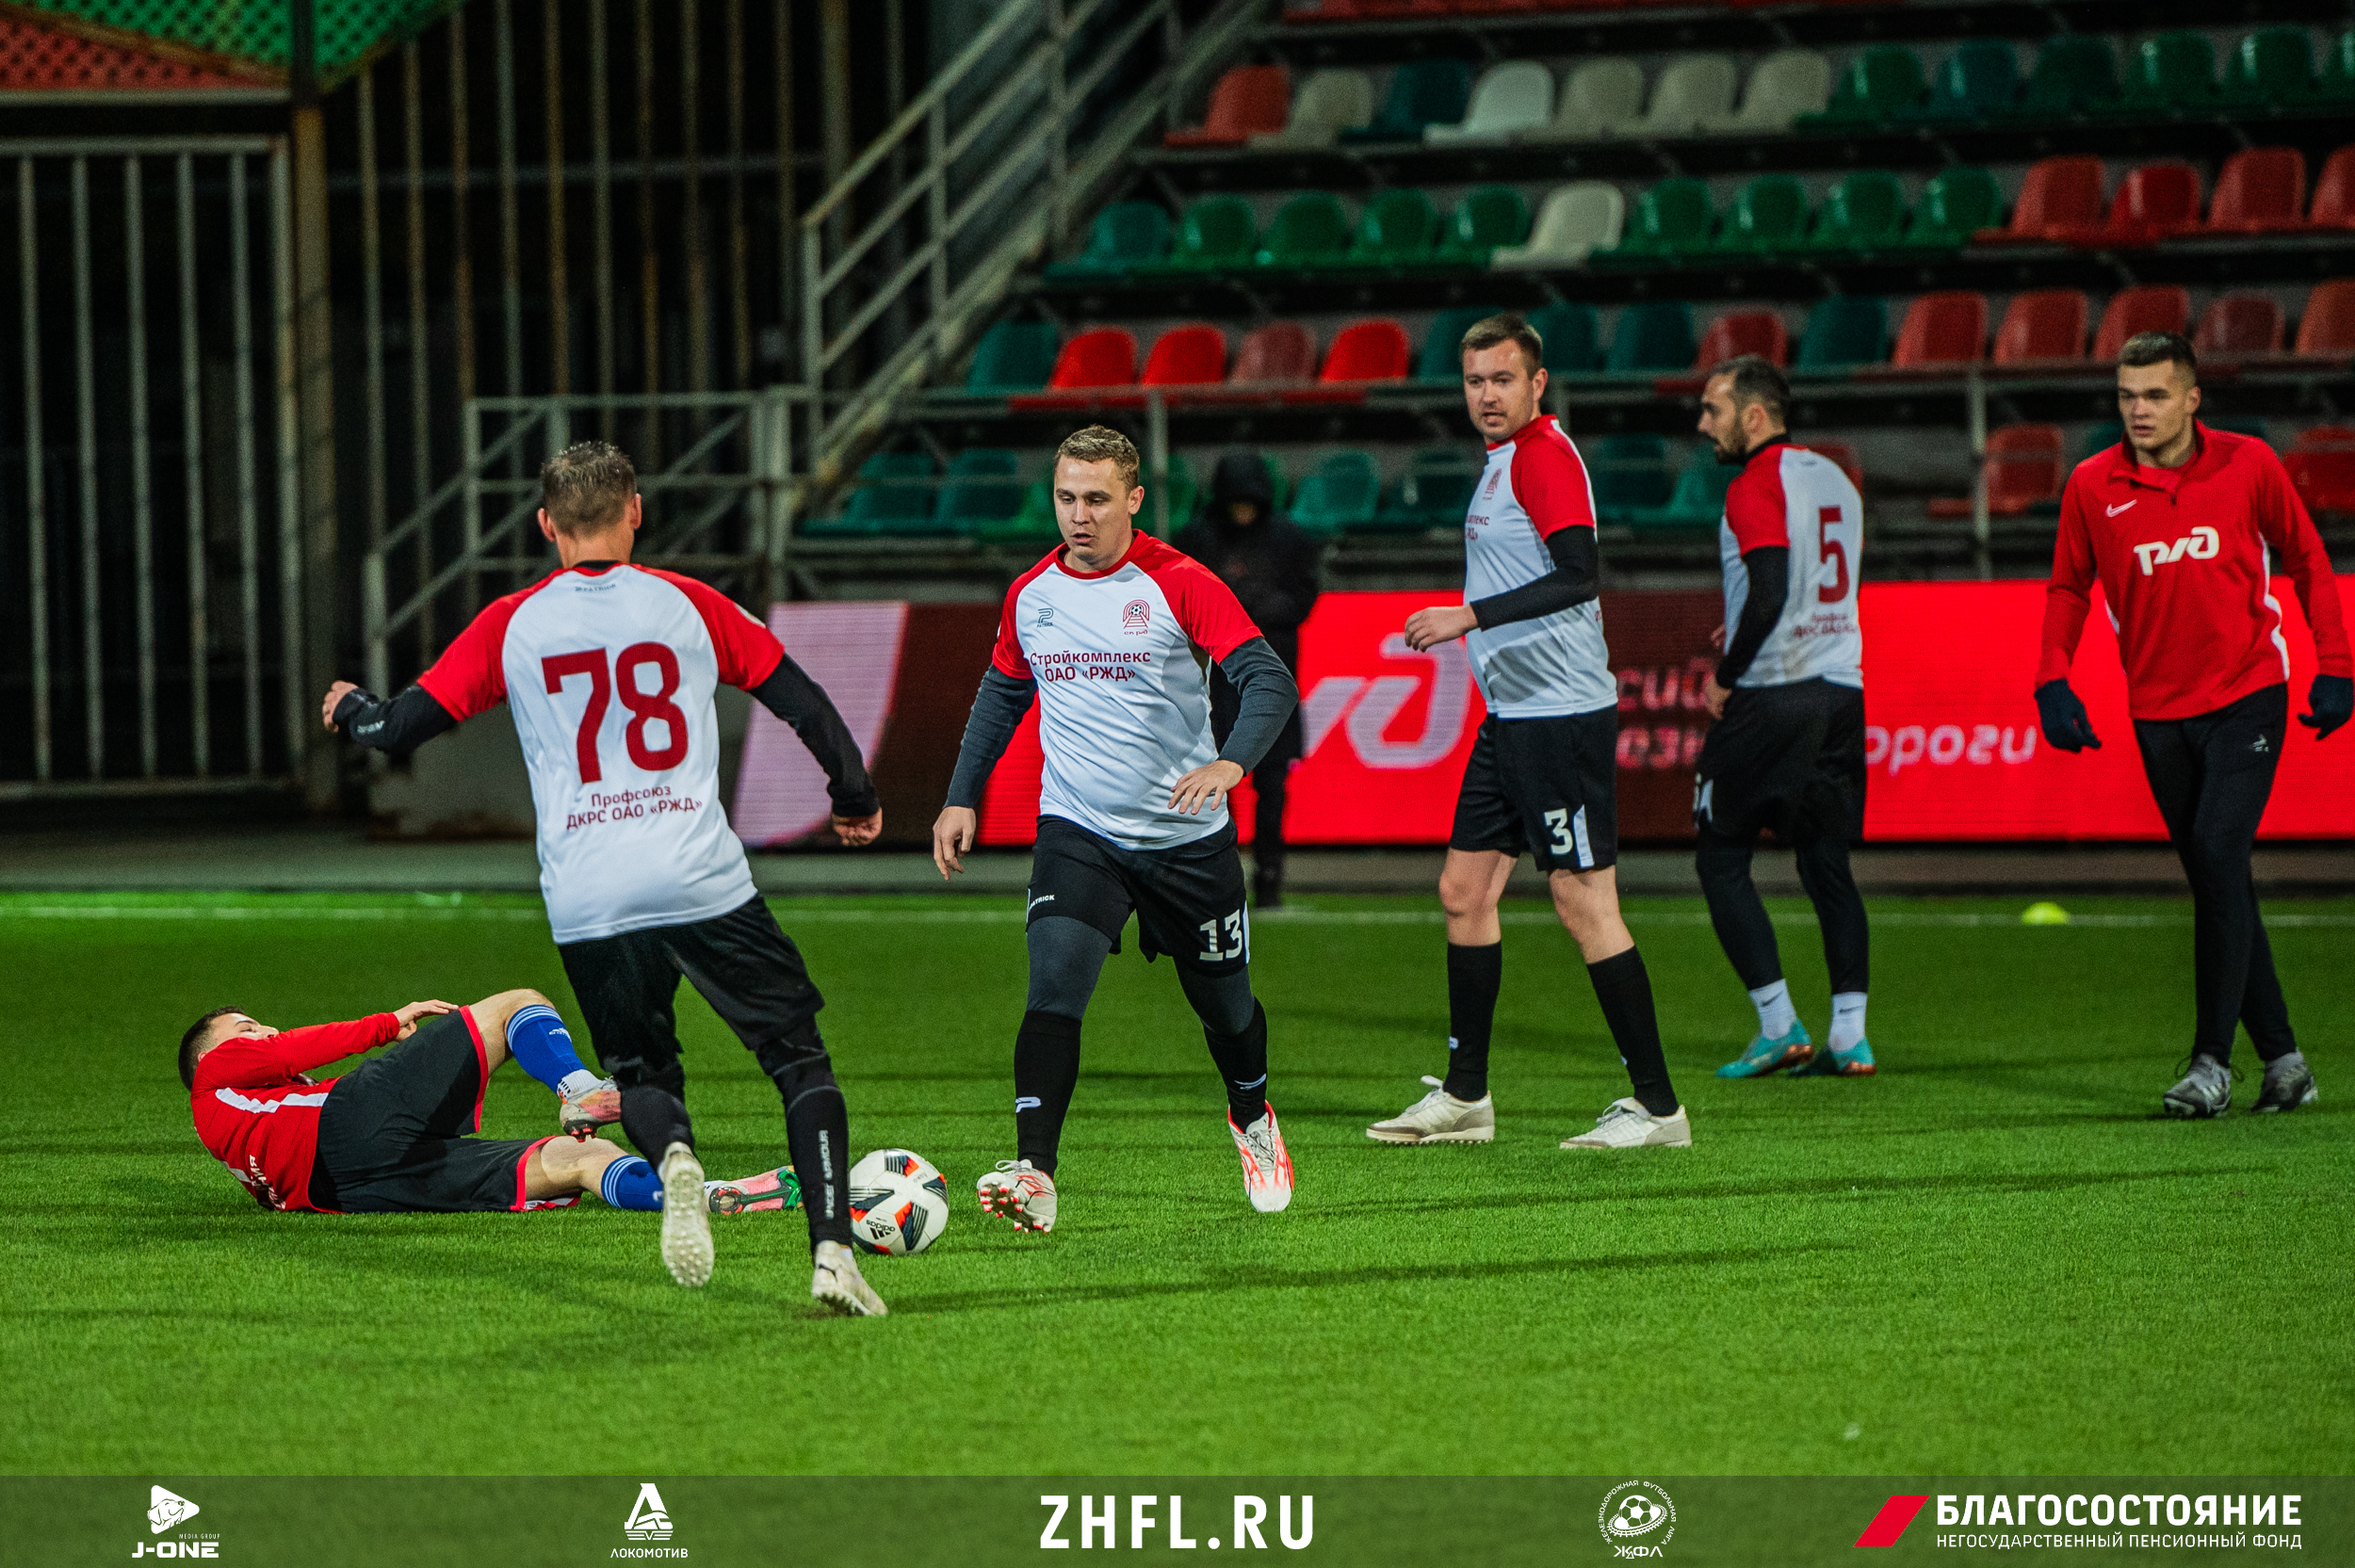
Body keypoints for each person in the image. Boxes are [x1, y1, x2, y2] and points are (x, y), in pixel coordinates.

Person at [322, 440, 887, 1315]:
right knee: (799, 1060)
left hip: (589, 895)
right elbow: (800, 699)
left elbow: (399, 729)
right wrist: (853, 793)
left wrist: (354, 709)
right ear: (635, 511)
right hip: (699, 875)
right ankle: (831, 1255)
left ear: (546, 525)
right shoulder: (690, 604)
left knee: (644, 1073)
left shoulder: (512, 623)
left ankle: (675, 1158)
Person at [931, 425, 1301, 1235]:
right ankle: (1035, 1170)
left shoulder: (1182, 581)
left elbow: (1269, 679)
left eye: (1097, 499)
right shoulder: (1032, 593)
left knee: (1227, 1010)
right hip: (1080, 831)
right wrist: (962, 796)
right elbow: (1002, 692)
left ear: (1134, 498)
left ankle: (1251, 1115)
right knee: (1054, 986)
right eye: (1066, 497)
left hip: (1186, 839)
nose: (1079, 515)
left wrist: (1231, 763)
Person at [1367, 313, 1689, 1152]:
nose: (1487, 395)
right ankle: (1466, 1096)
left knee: (1585, 903)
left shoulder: (1544, 456)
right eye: (1475, 381)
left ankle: (1659, 1109)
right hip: (1512, 716)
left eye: (1502, 379)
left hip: (1560, 718)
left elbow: (1581, 574)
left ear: (1538, 382)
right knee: (1464, 892)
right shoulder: (1503, 461)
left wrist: (1467, 615)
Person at [2038, 331, 2351, 1118]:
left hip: (2250, 694)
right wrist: (2052, 677)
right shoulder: (2091, 485)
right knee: (2220, 876)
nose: (2138, 410)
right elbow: (2069, 586)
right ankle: (2286, 1062)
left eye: (2154, 394)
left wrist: (2336, 664)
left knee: (2215, 852)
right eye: (2126, 396)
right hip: (2157, 712)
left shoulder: (2249, 464)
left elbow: (2308, 559)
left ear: (2192, 398)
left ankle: (2211, 1063)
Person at [182, 988, 797, 1217]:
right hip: (349, 1123)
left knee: (580, 1160)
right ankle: (580, 1089)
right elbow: (297, 1047)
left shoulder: (237, 1136)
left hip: (354, 1190)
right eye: (247, 1028)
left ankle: (705, 1195)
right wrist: (385, 1023)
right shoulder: (213, 1072)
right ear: (214, 1054)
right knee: (516, 1005)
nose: (264, 1033)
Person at [1687, 355, 1876, 1079]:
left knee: (1720, 856)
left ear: (1755, 415)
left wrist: (1725, 676)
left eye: (1714, 409)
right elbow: (1818, 585)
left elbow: (1770, 589)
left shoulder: (1753, 484)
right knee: (1826, 861)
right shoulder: (1836, 478)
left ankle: (1777, 1025)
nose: (1704, 424)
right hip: (1841, 691)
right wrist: (1747, 620)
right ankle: (1850, 1035)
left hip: (1774, 691)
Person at [1173, 450, 1323, 908]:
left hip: (1271, 678)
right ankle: (1220, 874)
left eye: (1250, 502)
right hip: (1212, 680)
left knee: (1272, 781)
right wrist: (1223, 618)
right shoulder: (1197, 538)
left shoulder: (1289, 539)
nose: (1242, 510)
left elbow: (1304, 596)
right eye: (1235, 502)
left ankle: (1270, 875)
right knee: (1211, 778)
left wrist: (1255, 610)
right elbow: (1177, 598)